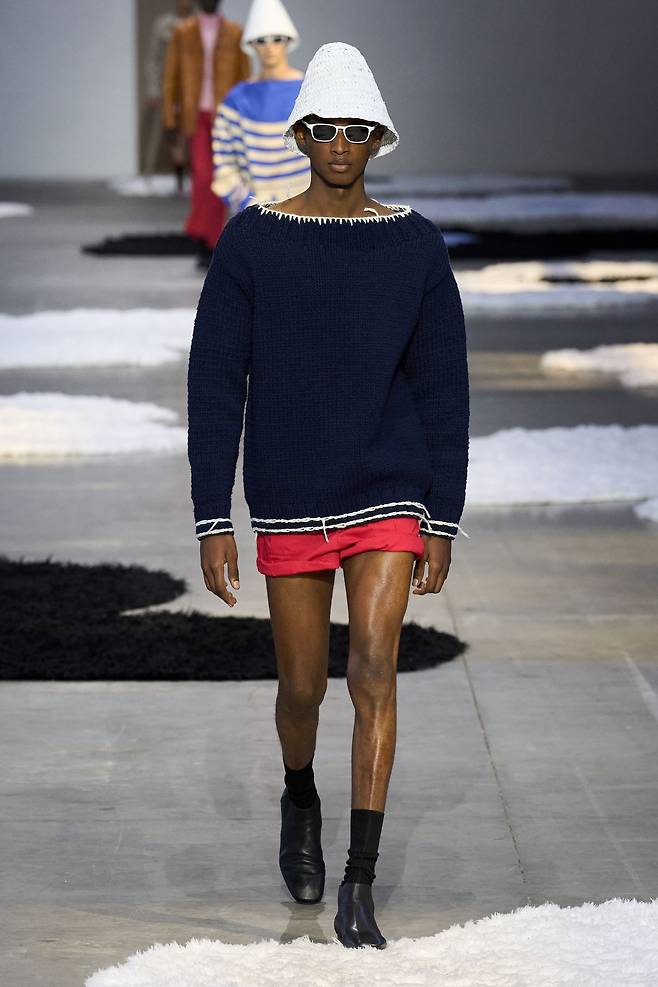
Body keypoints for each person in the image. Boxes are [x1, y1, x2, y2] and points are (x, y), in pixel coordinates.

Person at [186, 42, 470, 949]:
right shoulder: (253, 241)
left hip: (388, 485)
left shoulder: (415, 244)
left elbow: (443, 384)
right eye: (325, 128)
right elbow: (215, 378)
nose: (340, 144)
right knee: (303, 687)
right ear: (302, 135)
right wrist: (211, 514)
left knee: (374, 668)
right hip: (290, 490)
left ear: (378, 138)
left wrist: (442, 514)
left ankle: (360, 880)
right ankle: (300, 794)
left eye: (356, 129)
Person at [162, 0, 252, 267]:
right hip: (196, 115)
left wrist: (247, 118)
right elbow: (171, 77)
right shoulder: (183, 32)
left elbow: (245, 80)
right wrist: (170, 119)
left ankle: (208, 241)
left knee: (221, 177)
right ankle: (206, 236)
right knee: (203, 176)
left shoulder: (235, 33)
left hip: (225, 115)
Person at [210, 0, 310, 212]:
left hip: (307, 212)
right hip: (255, 213)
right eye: (261, 40)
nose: (269, 47)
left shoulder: (310, 91)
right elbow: (224, 160)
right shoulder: (236, 99)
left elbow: (328, 152)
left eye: (277, 39)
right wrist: (248, 204)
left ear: (288, 40)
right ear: (252, 44)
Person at [143, 0, 195, 186]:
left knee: (194, 133)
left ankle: (192, 180)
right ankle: (148, 177)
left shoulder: (199, 23)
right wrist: (153, 89)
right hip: (168, 86)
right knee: (164, 130)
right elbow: (153, 59)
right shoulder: (163, 24)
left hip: (193, 88)